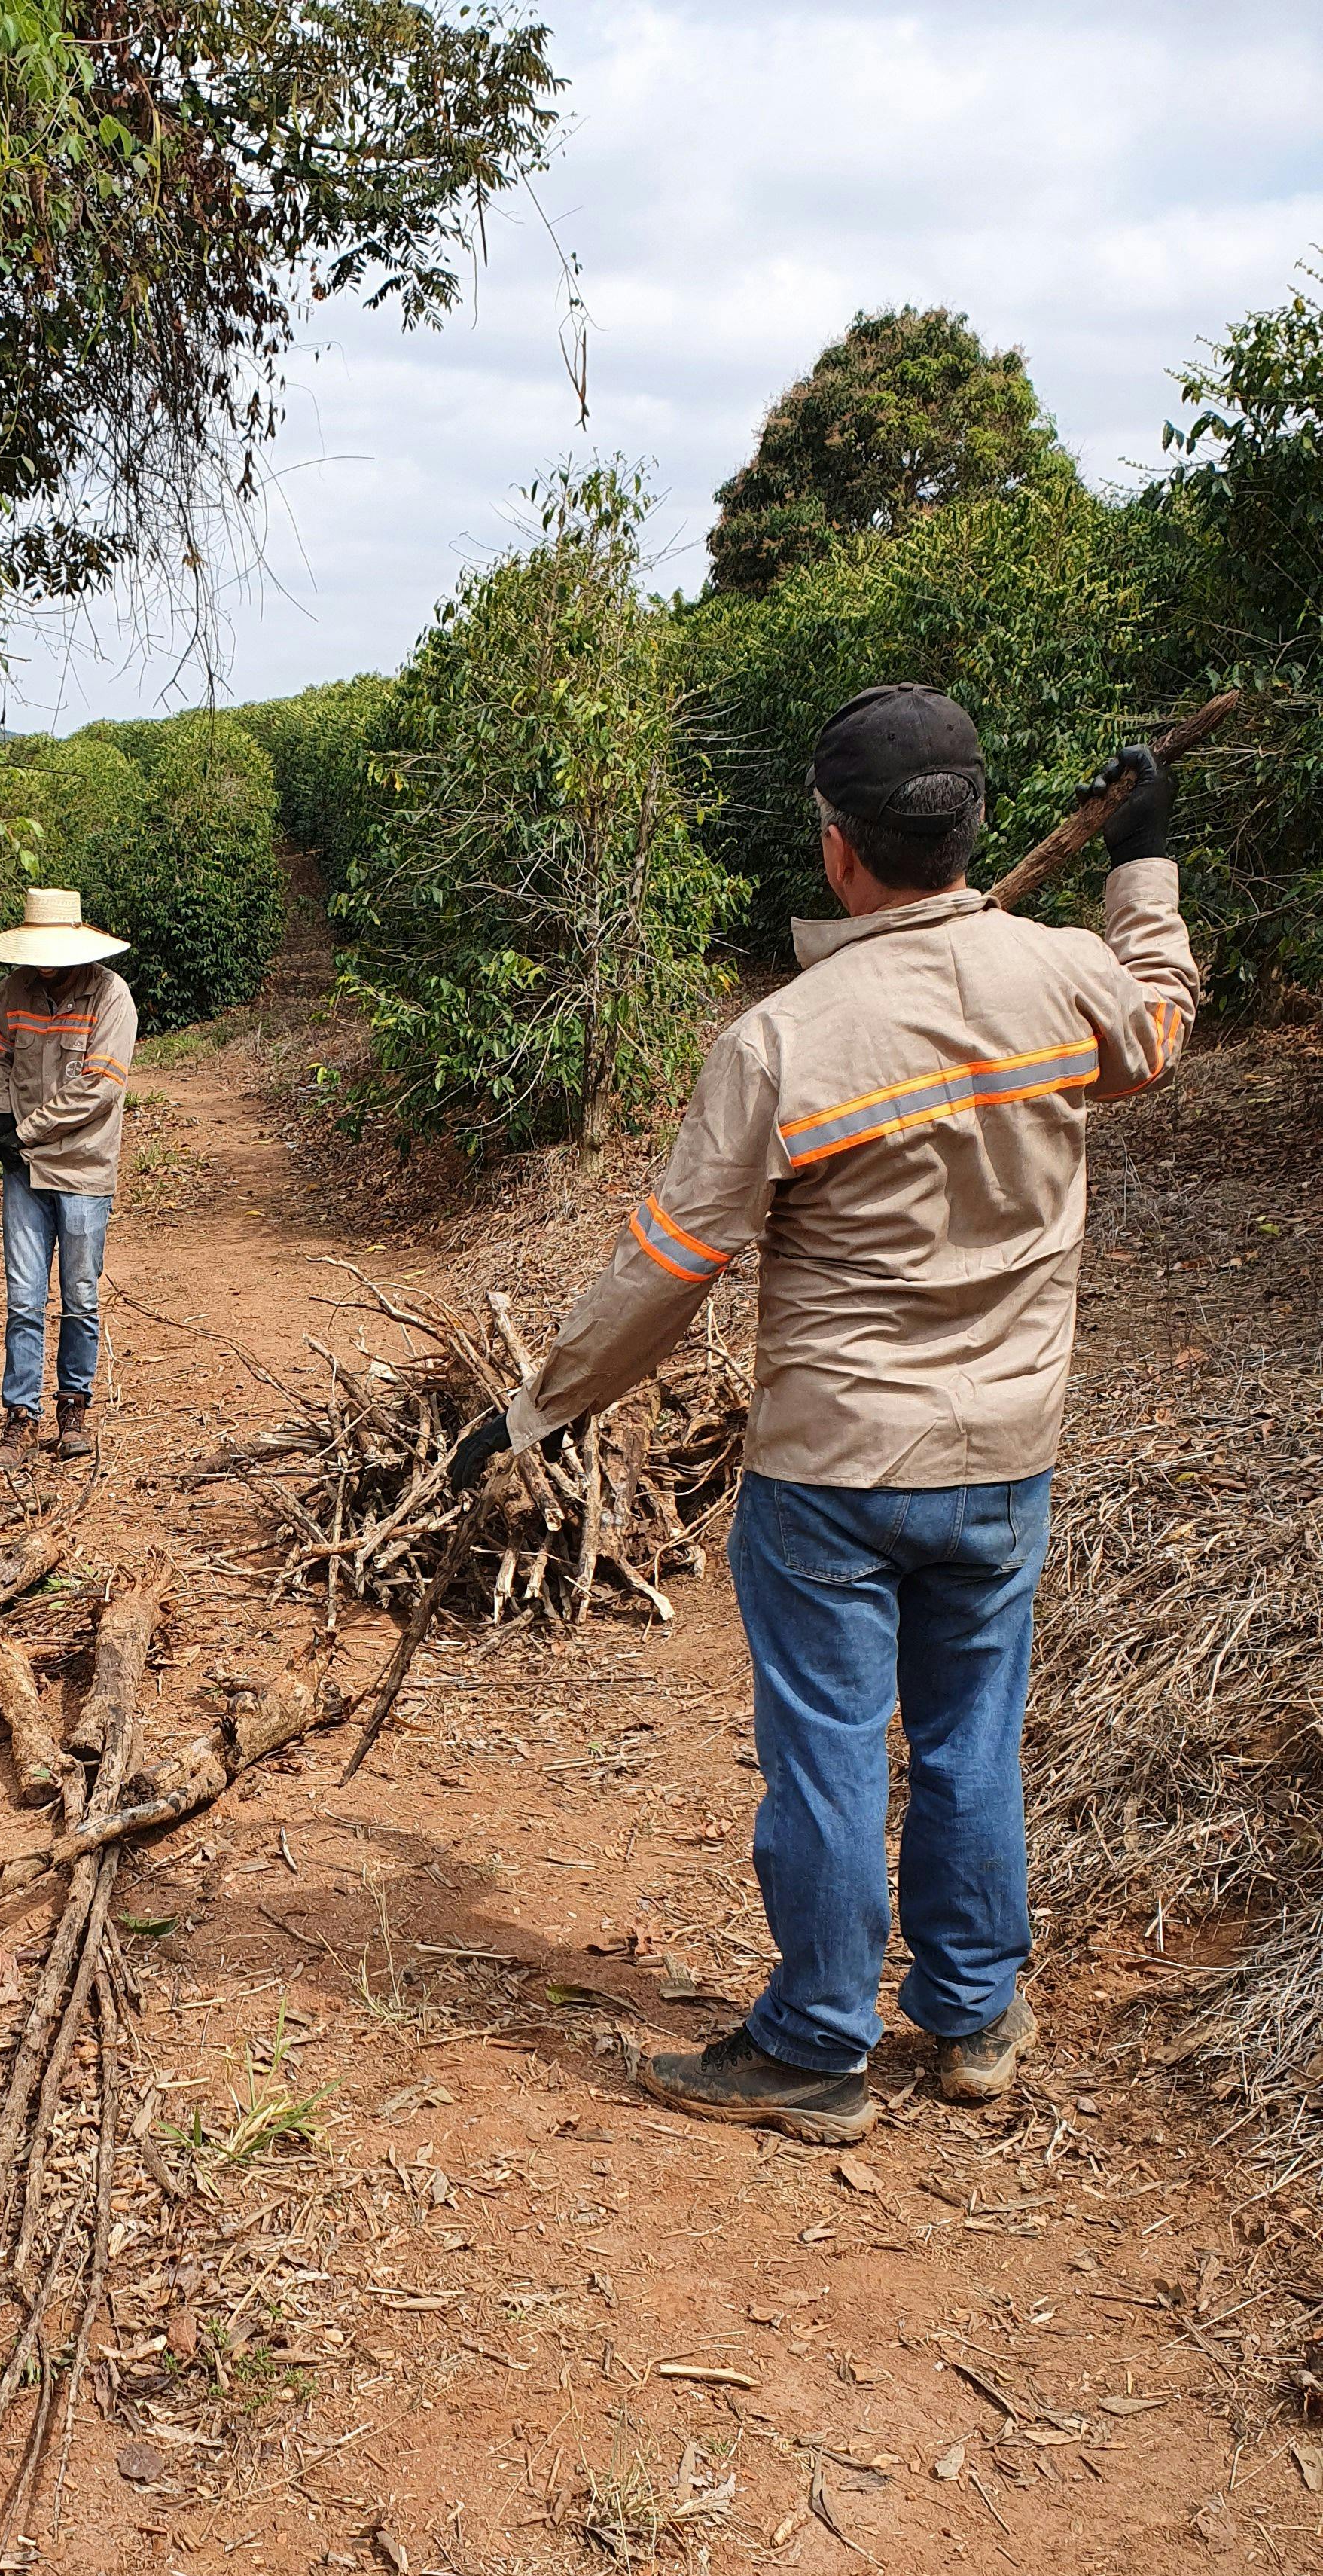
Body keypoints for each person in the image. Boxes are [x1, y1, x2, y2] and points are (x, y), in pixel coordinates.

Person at [448, 685, 1198, 2143]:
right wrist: (1143, 863)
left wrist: (535, 1409)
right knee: (970, 1741)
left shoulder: (784, 1041)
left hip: (834, 1475)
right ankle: (973, 2018)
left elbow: (667, 1268)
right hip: (1004, 1462)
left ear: (837, 849)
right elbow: (1156, 1020)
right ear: (971, 826)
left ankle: (813, 2043)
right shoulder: (1063, 980)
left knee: (828, 1756)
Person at [0, 886, 137, 1457]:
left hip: (84, 1167)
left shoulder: (110, 997)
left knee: (79, 1295)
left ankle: (74, 1409)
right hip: (24, 1169)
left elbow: (99, 1088)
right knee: (23, 1298)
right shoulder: (13, 990)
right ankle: (20, 1415)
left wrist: (21, 1131)